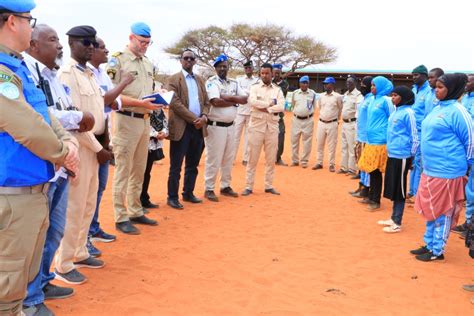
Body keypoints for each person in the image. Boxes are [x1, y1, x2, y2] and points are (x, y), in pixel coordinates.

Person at [0, 1, 79, 314]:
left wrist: (68, 142)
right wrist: (64, 154)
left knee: (19, 282)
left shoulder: (17, 66)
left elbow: (44, 114)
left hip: (32, 194)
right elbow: (26, 126)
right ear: (11, 23)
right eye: (28, 20)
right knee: (6, 286)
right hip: (12, 196)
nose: (31, 27)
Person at [22, 23, 93, 314]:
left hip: (63, 163)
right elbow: (41, 117)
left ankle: (44, 281)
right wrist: (78, 118)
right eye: (52, 40)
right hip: (43, 165)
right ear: (33, 45)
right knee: (36, 234)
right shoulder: (26, 73)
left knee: (53, 231)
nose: (59, 45)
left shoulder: (51, 76)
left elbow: (56, 111)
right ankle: (29, 298)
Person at [54, 25, 111, 286]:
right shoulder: (67, 74)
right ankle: (64, 264)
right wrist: (99, 149)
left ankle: (79, 251)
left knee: (89, 202)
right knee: (74, 206)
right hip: (80, 145)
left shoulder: (89, 74)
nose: (90, 47)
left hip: (95, 145)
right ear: (71, 44)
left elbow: (99, 114)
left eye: (92, 43)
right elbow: (75, 119)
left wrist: (103, 142)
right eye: (84, 42)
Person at [410, 73, 473, 262]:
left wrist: (468, 166)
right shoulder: (437, 108)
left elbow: (470, 142)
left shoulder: (458, 112)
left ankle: (437, 250)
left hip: (448, 171)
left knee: (444, 212)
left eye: (440, 87)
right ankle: (429, 243)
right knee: (430, 209)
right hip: (431, 170)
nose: (436, 90)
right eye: (435, 87)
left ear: (452, 89)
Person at [106, 22, 161, 235]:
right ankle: (121, 217)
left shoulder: (147, 63)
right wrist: (141, 104)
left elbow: (148, 90)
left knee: (139, 169)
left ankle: (136, 210)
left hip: (144, 120)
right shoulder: (118, 60)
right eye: (142, 42)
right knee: (123, 170)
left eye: (148, 43)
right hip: (125, 120)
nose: (145, 46)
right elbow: (111, 96)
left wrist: (158, 95)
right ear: (131, 38)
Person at [165, 49, 210, 209]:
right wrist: (194, 119)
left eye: (192, 58)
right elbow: (174, 103)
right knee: (176, 166)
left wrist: (204, 117)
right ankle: (172, 197)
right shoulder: (173, 79)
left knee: (193, 164)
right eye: (186, 58)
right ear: (181, 60)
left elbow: (206, 102)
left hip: (198, 128)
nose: (189, 61)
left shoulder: (200, 79)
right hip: (181, 127)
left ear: (195, 61)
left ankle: (188, 193)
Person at [204, 54, 247, 202]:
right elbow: (215, 101)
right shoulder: (211, 82)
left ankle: (225, 186)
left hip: (231, 126)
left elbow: (245, 99)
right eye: (220, 66)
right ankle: (209, 188)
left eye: (225, 66)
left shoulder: (234, 83)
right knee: (214, 158)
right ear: (215, 68)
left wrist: (228, 98)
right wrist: (235, 101)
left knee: (228, 158)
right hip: (216, 127)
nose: (223, 68)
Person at [378, 86, 418, 233]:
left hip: (402, 156)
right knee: (393, 187)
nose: (392, 98)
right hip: (392, 154)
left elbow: (415, 137)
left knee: (400, 189)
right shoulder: (396, 112)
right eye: (392, 95)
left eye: (395, 95)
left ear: (404, 97)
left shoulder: (408, 113)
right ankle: (393, 217)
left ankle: (397, 222)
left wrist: (411, 157)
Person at [242, 63, 285, 196]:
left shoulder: (277, 90)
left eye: (267, 73)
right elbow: (253, 102)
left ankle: (268, 185)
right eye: (262, 73)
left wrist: (265, 108)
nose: (265, 75)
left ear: (272, 74)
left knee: (271, 159)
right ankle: (248, 186)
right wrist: (269, 105)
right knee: (252, 158)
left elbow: (281, 106)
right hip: (256, 127)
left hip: (271, 128)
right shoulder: (254, 88)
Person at [357, 76, 394, 210]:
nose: (372, 87)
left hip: (380, 141)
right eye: (371, 85)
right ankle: (371, 196)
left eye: (374, 85)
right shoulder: (372, 99)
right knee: (371, 169)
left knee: (376, 170)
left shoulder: (386, 101)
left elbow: (392, 118)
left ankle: (376, 200)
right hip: (370, 140)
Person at [452, 74, 474, 236]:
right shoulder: (464, 99)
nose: (466, 83)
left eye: (469, 81)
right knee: (470, 190)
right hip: (467, 149)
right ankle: (468, 223)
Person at [407, 65, 431, 202]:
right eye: (413, 75)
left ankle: (416, 193)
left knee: (418, 163)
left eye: (417, 75)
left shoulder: (429, 92)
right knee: (412, 163)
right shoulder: (413, 90)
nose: (414, 77)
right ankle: (411, 190)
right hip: (412, 131)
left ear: (425, 76)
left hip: (422, 132)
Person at [312, 76, 342, 172]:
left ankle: (331, 164)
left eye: (327, 83)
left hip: (332, 123)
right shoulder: (321, 96)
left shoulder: (337, 97)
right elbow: (320, 107)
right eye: (324, 83)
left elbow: (340, 109)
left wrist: (337, 120)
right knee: (319, 144)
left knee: (331, 145)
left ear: (332, 85)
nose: (325, 85)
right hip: (321, 122)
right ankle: (319, 162)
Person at [350, 76, 373, 198]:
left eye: (364, 85)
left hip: (367, 137)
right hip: (360, 136)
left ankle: (366, 189)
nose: (361, 87)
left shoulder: (371, 100)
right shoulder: (365, 99)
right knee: (361, 163)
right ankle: (361, 185)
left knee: (366, 165)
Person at [140, 107, 168, 208]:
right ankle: (137, 201)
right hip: (143, 143)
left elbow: (165, 122)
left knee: (147, 173)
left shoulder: (160, 110)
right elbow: (143, 122)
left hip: (153, 145)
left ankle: (144, 199)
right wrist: (156, 134)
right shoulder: (146, 108)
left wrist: (164, 132)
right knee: (140, 173)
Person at [289, 75, 317, 168]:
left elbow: (314, 106)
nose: (304, 84)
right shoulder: (295, 93)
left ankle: (304, 161)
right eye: (303, 82)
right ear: (299, 83)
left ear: (308, 83)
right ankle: (295, 160)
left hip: (308, 120)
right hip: (296, 120)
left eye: (306, 83)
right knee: (294, 141)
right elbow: (293, 105)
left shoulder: (312, 93)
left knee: (307, 142)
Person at [234, 60, 258, 166]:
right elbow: (238, 93)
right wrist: (249, 92)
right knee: (235, 136)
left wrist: (246, 92)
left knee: (249, 137)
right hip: (239, 112)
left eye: (250, 68)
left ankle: (246, 159)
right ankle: (231, 158)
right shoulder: (238, 80)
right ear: (244, 69)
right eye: (246, 68)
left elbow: (256, 94)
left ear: (253, 69)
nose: (248, 69)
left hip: (251, 112)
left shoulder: (257, 81)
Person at [338, 76, 363, 175]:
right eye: (347, 82)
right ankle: (344, 167)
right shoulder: (346, 94)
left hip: (352, 124)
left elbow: (358, 111)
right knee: (344, 147)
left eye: (350, 83)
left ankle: (352, 169)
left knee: (352, 147)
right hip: (344, 123)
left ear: (355, 83)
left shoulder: (358, 96)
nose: (348, 84)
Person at [272, 63, 289, 166]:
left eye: (278, 73)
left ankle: (278, 158)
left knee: (281, 135)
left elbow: (279, 96)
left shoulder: (285, 84)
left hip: (279, 115)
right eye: (275, 73)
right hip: (268, 114)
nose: (276, 74)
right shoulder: (269, 82)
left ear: (280, 72)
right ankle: (270, 157)